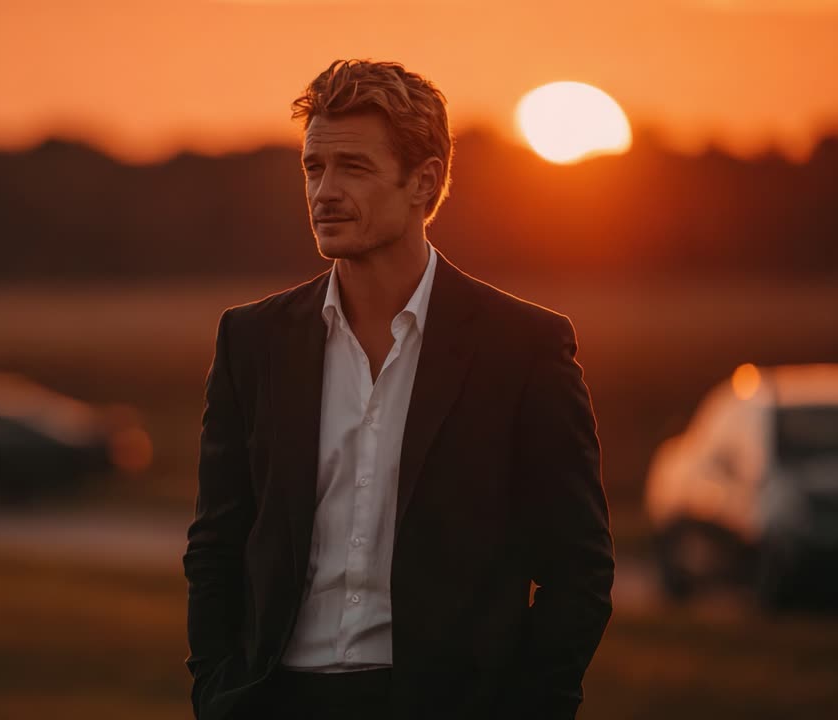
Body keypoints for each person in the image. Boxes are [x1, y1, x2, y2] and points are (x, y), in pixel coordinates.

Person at [183, 59, 614, 720]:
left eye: (352, 167)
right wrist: (218, 693)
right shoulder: (253, 341)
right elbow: (217, 545)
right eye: (312, 168)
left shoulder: (523, 348)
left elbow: (577, 571)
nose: (324, 192)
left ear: (425, 181)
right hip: (276, 699)